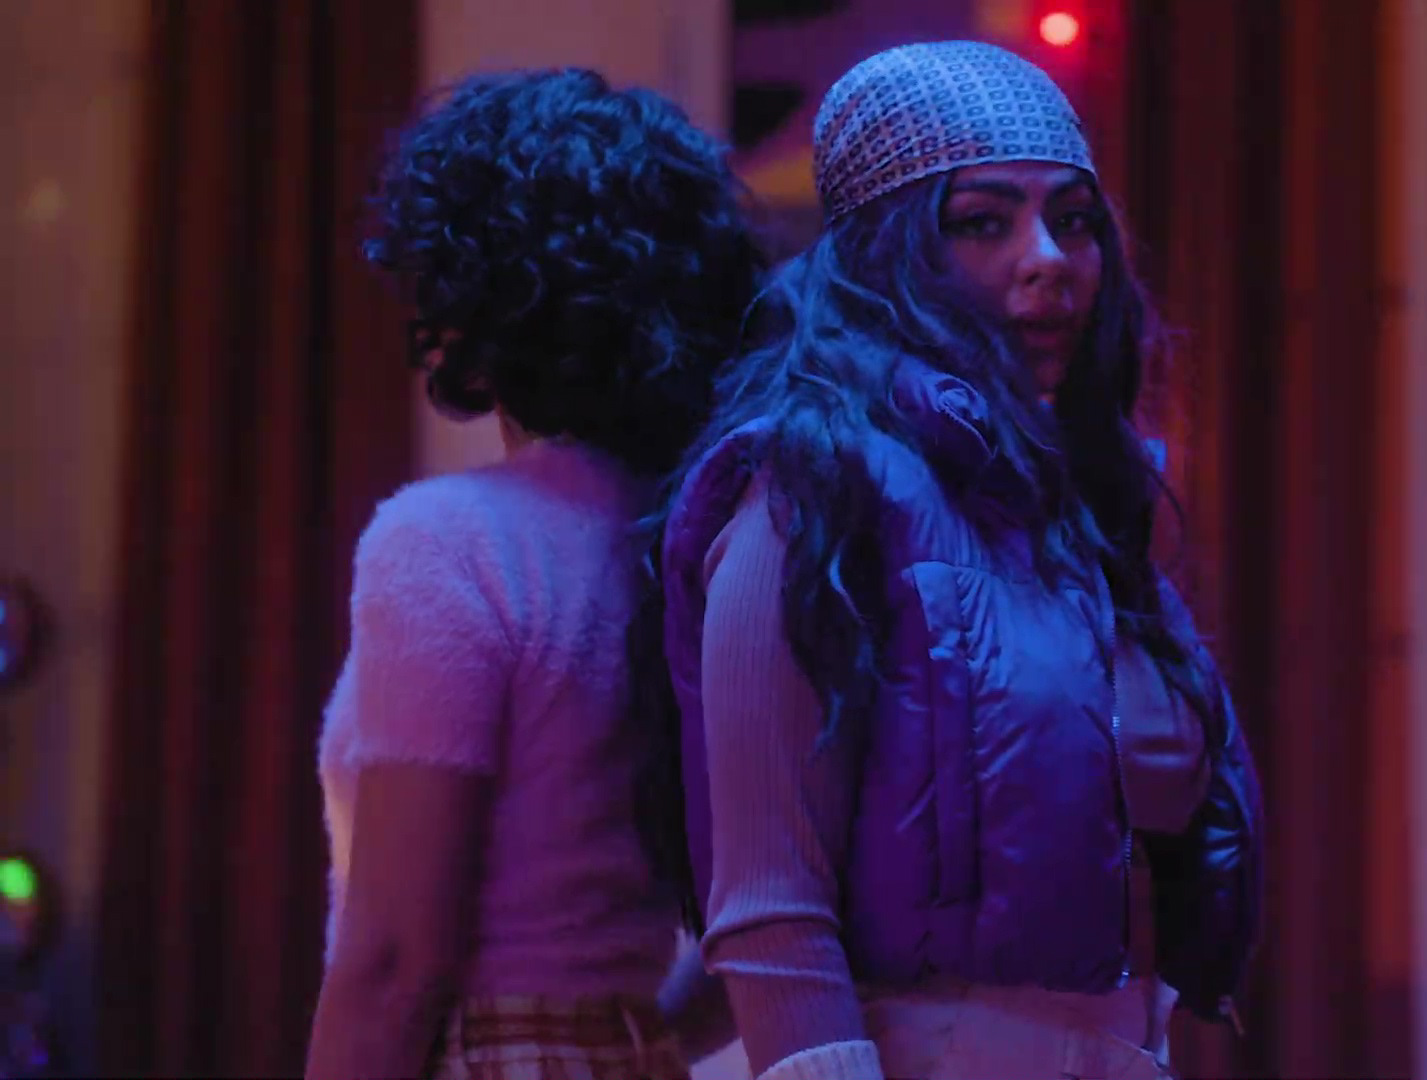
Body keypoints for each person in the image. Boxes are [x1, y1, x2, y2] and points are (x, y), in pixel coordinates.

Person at [636, 41, 1264, 1080]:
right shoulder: (811, 485)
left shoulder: (1083, 516)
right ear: (889, 255)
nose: (1049, 258)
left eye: (1074, 220)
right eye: (982, 221)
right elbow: (771, 909)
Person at [305, 68, 762, 1080]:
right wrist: (619, 1037)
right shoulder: (701, 546)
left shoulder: (450, 542)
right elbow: (763, 926)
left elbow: (396, 963)